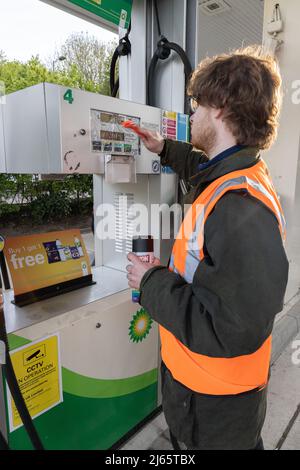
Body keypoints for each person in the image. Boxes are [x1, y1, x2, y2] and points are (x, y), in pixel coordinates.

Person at [126, 46, 289, 450]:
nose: (191, 115)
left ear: (220, 108)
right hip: (201, 393)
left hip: (217, 409)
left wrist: (150, 282)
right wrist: (163, 149)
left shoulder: (240, 208)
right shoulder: (236, 172)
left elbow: (231, 330)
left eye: (196, 105)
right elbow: (201, 168)